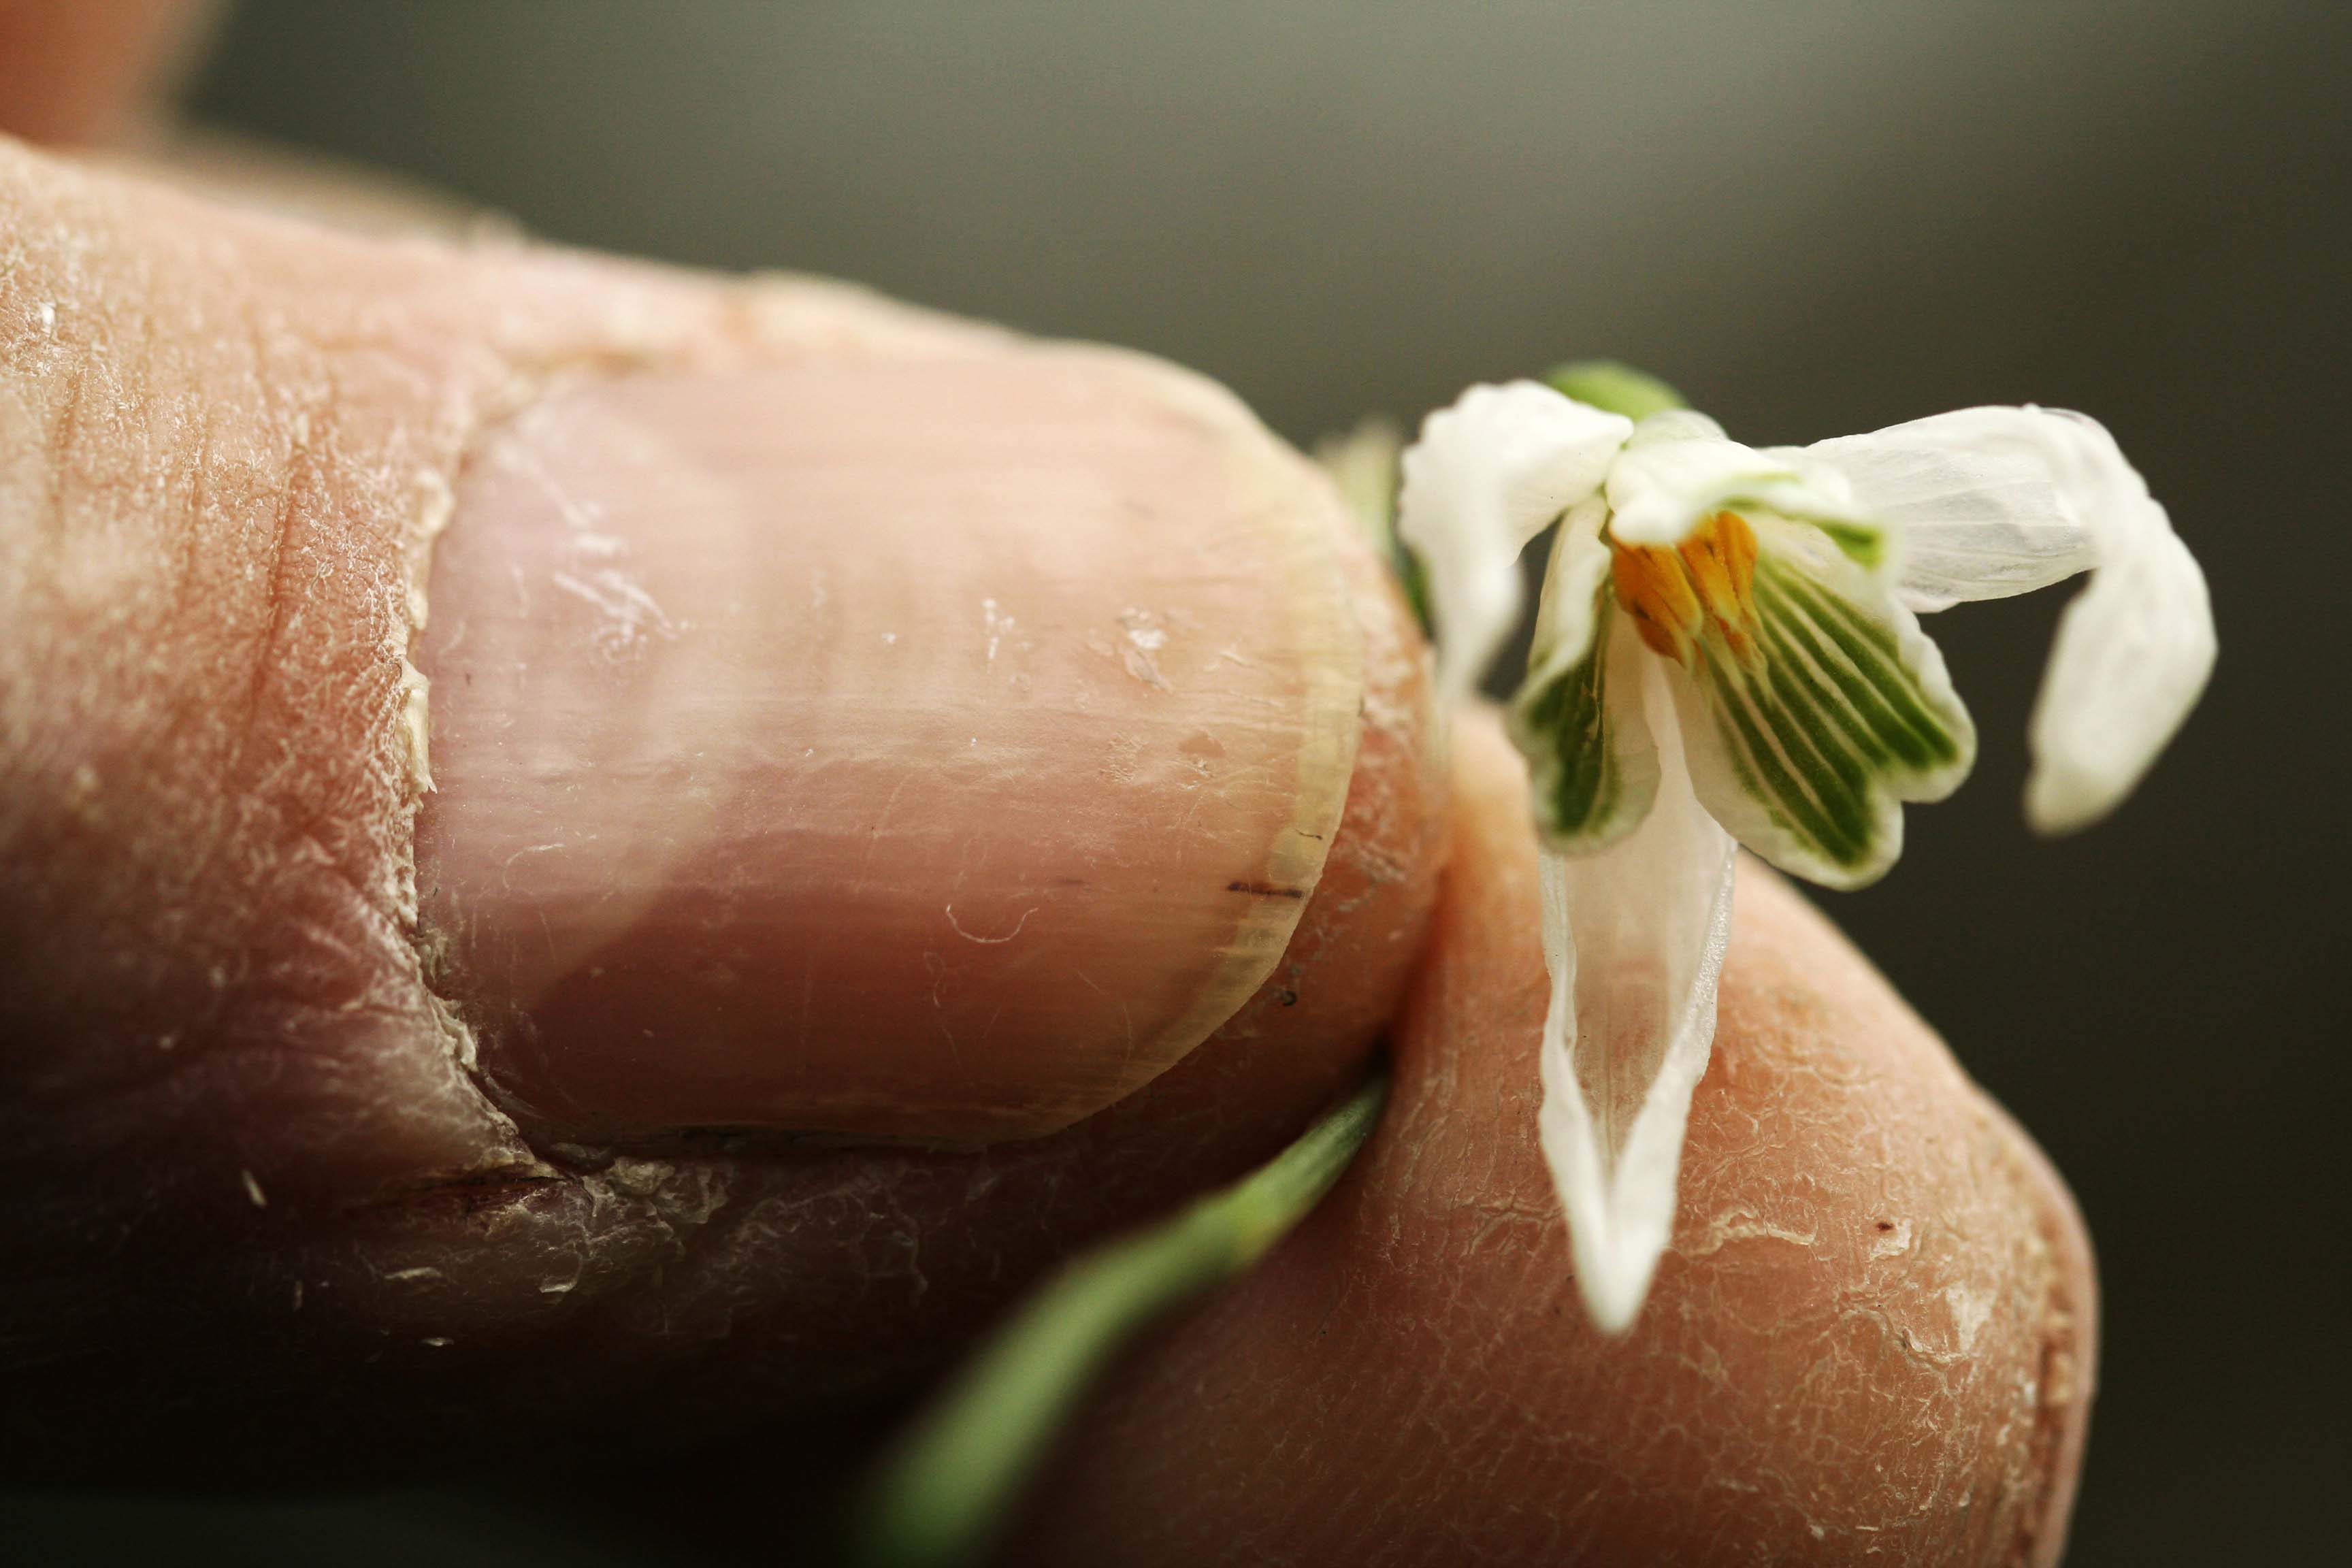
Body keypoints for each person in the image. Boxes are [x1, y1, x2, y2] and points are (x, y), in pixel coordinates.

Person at [0, 4, 2091, 1563]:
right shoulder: (1557, 575)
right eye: (1668, 559)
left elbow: (2085, 530)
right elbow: (1491, 515)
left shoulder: (1621, 665)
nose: (1699, 596)